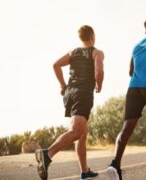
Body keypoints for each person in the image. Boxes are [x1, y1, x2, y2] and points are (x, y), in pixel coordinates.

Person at [35, 25, 104, 180]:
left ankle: (84, 171)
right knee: (77, 131)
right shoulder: (96, 52)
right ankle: (47, 154)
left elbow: (56, 65)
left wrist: (63, 85)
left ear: (81, 38)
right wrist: (99, 84)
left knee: (82, 133)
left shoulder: (73, 52)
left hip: (70, 94)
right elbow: (99, 71)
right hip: (83, 93)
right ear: (93, 35)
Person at [107, 18, 146, 180]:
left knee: (127, 127)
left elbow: (130, 71)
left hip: (134, 87)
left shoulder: (137, 46)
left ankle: (115, 164)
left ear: (145, 30)